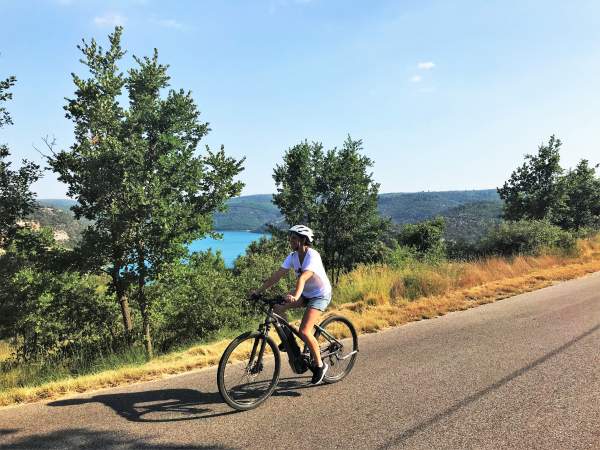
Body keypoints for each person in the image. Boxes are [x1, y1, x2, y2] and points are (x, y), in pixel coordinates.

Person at [251, 225, 332, 384]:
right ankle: (290, 342)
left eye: (294, 238)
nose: (290, 241)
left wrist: (295, 295)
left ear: (303, 240)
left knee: (305, 331)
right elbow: (277, 276)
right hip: (305, 294)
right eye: (290, 238)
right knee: (277, 308)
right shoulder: (293, 256)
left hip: (320, 295)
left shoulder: (312, 255)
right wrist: (259, 291)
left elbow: (303, 277)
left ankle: (320, 366)